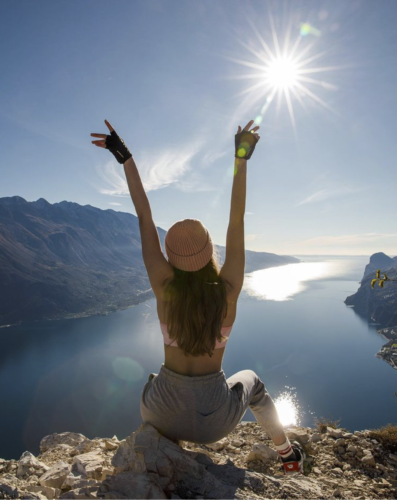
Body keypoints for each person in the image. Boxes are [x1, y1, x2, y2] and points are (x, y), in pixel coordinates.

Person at [91, 118, 305, 475]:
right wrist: (241, 158)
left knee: (152, 380)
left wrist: (124, 157)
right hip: (213, 423)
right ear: (209, 252)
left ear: (170, 257)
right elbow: (236, 222)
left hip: (159, 415)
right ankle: (287, 455)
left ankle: (168, 445)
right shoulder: (228, 292)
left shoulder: (164, 287)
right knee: (253, 381)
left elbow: (144, 214)